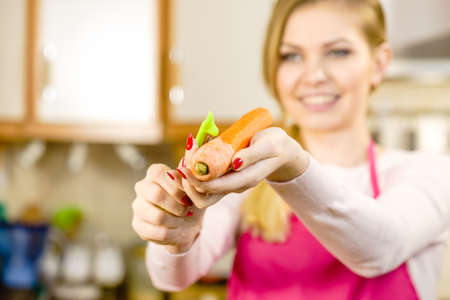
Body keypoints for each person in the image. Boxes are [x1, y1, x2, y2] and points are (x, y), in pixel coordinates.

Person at [132, 0, 450, 299]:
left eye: (338, 52)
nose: (313, 76)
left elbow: (381, 248)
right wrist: (173, 232)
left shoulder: (429, 172)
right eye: (291, 56)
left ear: (379, 64)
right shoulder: (247, 183)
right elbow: (171, 278)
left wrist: (294, 169)